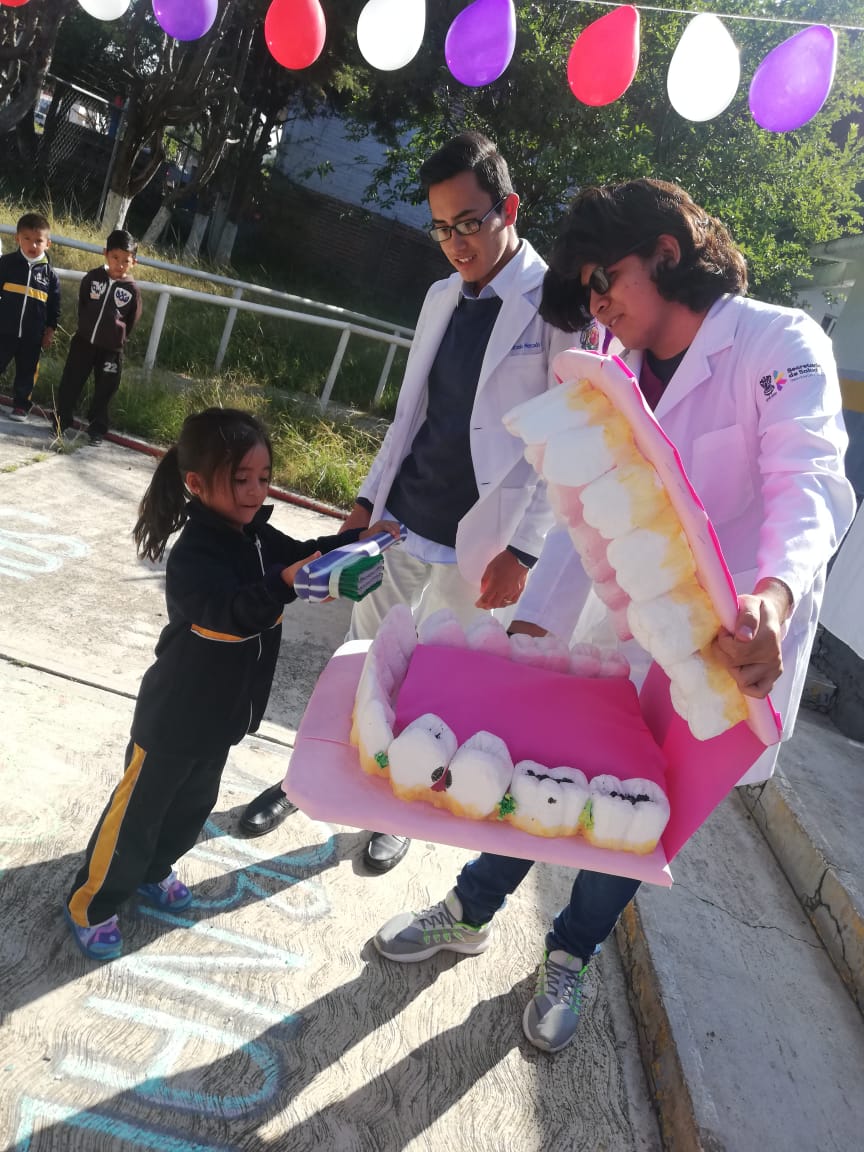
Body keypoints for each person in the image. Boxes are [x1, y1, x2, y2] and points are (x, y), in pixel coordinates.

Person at [371, 178, 857, 1053]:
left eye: (605, 280)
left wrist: (777, 594)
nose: (597, 305)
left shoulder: (781, 342)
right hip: (625, 624)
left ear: (667, 253)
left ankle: (571, 952)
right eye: (587, 292)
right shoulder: (615, 365)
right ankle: (469, 909)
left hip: (733, 649)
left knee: (641, 811)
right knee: (553, 766)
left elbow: (811, 481)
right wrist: (538, 624)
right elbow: (586, 507)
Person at [239, 131, 581, 867]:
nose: (456, 242)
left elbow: (566, 445)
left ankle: (400, 807)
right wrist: (368, 502)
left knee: (442, 678)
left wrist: (525, 551)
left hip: (484, 539)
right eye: (441, 227)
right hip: (401, 519)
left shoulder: (555, 308)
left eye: (470, 222)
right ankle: (313, 777)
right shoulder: (439, 296)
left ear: (509, 209)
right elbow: (409, 415)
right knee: (361, 657)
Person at [65, 407, 400, 961]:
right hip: (173, 718)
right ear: (197, 484)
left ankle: (154, 870)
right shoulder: (194, 555)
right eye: (241, 479)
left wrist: (359, 539)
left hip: (223, 715)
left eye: (263, 478)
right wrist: (286, 585)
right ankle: (92, 904)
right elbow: (228, 614)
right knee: (136, 816)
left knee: (191, 807)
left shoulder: (256, 534)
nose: (255, 491)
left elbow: (304, 552)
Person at [54, 228, 142, 447]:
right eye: (115, 257)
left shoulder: (132, 290)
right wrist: (86, 327)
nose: (119, 264)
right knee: (71, 381)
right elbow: (83, 304)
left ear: (134, 262)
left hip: (111, 350)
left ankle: (96, 429)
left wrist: (116, 338)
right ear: (105, 254)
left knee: (105, 390)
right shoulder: (93, 278)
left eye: (125, 260)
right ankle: (61, 421)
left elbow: (131, 320)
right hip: (83, 343)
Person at [0, 212, 61, 422]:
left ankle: (21, 405)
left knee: (27, 371)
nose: (32, 245)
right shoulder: (6, 264)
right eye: (27, 238)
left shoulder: (50, 276)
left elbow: (54, 307)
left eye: (38, 241)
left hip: (32, 336)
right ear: (17, 238)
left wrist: (50, 330)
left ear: (48, 244)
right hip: (4, 329)